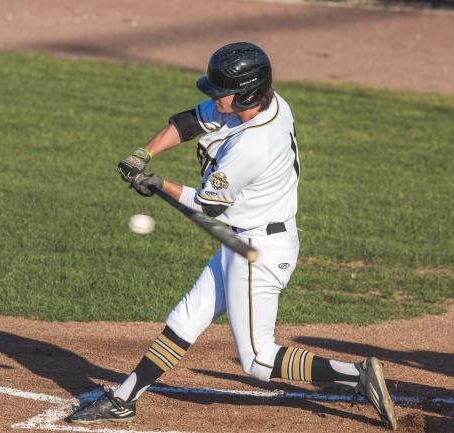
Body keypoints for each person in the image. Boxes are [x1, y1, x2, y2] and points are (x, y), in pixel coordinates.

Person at [66, 42, 397, 430]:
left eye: (221, 92)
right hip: (240, 238)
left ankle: (355, 374)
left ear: (247, 94)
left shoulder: (253, 145)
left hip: (258, 248)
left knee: (257, 359)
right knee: (187, 317)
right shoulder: (258, 105)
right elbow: (190, 122)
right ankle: (124, 399)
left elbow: (208, 206)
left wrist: (159, 185)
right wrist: (144, 154)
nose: (213, 97)